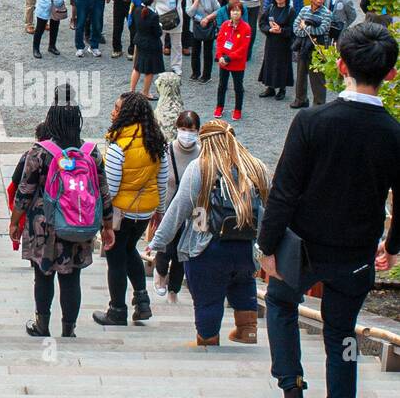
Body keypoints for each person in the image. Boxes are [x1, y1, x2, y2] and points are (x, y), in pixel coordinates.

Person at [258, 22, 400, 398]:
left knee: (281, 303)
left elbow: (284, 190)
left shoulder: (312, 121)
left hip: (303, 249)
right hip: (355, 254)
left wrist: (266, 247)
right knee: (343, 335)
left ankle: (292, 394)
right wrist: (392, 245)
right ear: (391, 75)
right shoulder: (395, 134)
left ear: (340, 65)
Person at [150, 121, 269, 347]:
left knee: (207, 298)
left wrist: (159, 241)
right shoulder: (256, 167)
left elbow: (180, 207)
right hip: (246, 247)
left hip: (207, 246)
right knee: (243, 284)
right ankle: (248, 330)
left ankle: (208, 339)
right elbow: (270, 207)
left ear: (205, 141)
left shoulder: (201, 167)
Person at [9, 92, 114, 338]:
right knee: (71, 277)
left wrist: (15, 222)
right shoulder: (91, 153)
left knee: (43, 274)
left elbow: (25, 191)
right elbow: (104, 193)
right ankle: (69, 329)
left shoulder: (40, 152)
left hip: (43, 225)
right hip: (78, 222)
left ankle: (42, 324)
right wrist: (107, 226)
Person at [93, 91, 168, 326]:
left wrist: (104, 218)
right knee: (130, 250)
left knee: (115, 258)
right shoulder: (156, 141)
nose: (113, 112)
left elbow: (111, 188)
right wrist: (160, 210)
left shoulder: (119, 146)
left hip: (120, 213)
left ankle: (117, 310)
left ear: (125, 113)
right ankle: (142, 300)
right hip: (145, 211)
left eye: (116, 108)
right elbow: (162, 180)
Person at [151, 110, 201, 303]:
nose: (187, 134)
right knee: (167, 246)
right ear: (177, 129)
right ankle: (160, 273)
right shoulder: (167, 150)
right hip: (170, 204)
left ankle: (174, 289)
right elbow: (160, 178)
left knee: (185, 250)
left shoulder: (202, 152)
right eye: (183, 129)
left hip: (196, 210)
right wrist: (158, 208)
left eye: (191, 130)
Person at [289, 0, 334, 109]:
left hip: (318, 48)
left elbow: (321, 30)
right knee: (301, 74)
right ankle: (300, 99)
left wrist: (305, 27)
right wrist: (307, 30)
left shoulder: (327, 13)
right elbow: (295, 29)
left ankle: (319, 104)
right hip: (304, 47)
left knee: (317, 78)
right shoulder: (304, 10)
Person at [213, 0, 253, 121]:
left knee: (238, 87)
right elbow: (219, 42)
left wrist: (229, 57)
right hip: (223, 62)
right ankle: (219, 106)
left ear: (241, 13)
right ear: (229, 12)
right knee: (222, 85)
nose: (235, 13)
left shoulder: (246, 28)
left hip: (237, 63)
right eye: (233, 11)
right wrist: (220, 56)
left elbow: (243, 48)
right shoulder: (225, 25)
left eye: (238, 11)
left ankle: (237, 109)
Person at [257, 0, 295, 100]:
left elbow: (293, 29)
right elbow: (262, 23)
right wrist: (269, 29)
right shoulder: (270, 8)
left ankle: (282, 89)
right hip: (271, 41)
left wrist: (281, 30)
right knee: (269, 63)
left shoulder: (290, 10)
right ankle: (270, 87)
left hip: (284, 43)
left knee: (282, 65)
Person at [151, 0, 186, 74]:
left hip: (176, 18)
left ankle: (176, 66)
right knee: (158, 43)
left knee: (177, 44)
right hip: (161, 19)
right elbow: (151, 3)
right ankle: (158, 65)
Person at [187, 0, 221, 82]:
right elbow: (189, 13)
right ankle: (195, 73)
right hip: (195, 26)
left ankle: (206, 75)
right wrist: (196, 1)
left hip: (209, 25)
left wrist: (208, 18)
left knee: (207, 52)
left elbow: (218, 10)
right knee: (195, 52)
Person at [128, 0, 164, 98]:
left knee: (137, 67)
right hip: (151, 44)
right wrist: (160, 27)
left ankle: (132, 90)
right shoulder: (153, 16)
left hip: (140, 41)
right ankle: (146, 92)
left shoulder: (137, 10)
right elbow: (157, 32)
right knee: (149, 70)